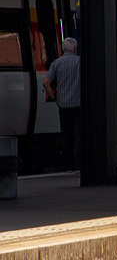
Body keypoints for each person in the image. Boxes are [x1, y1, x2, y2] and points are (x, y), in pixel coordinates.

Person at [43, 37, 80, 170]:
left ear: (62, 49)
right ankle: (78, 163)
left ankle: (68, 163)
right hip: (78, 105)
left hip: (63, 104)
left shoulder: (56, 63)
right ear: (75, 49)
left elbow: (45, 83)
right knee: (78, 134)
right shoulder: (80, 62)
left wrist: (54, 98)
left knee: (66, 134)